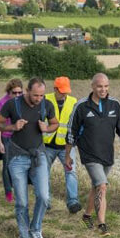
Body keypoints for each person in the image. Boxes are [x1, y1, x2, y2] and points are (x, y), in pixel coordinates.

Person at [0, 77, 59, 238]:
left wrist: (47, 128)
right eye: (35, 95)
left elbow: (55, 124)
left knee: (44, 196)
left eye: (42, 95)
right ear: (27, 91)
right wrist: (12, 127)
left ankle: (36, 229)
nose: (39, 99)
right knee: (21, 201)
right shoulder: (13, 105)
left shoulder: (46, 104)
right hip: (17, 157)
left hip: (39, 155)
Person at [65, 73, 120, 236]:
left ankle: (87, 216)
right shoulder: (81, 106)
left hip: (107, 154)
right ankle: (102, 224)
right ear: (93, 86)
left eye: (106, 86)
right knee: (102, 185)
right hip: (89, 154)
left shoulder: (115, 105)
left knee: (96, 187)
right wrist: (68, 155)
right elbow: (71, 131)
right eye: (100, 86)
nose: (103, 89)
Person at [43, 77, 82, 214]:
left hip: (67, 147)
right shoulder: (44, 99)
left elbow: (78, 123)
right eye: (61, 91)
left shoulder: (73, 102)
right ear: (55, 89)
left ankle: (73, 202)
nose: (64, 94)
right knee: (44, 173)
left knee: (71, 172)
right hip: (47, 145)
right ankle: (45, 202)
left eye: (66, 91)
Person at [0, 78, 24, 203]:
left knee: (18, 165)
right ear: (8, 92)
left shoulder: (23, 102)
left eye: (19, 93)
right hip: (6, 137)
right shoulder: (1, 103)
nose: (17, 95)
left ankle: (18, 190)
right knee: (6, 165)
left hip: (19, 137)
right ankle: (8, 192)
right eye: (14, 93)